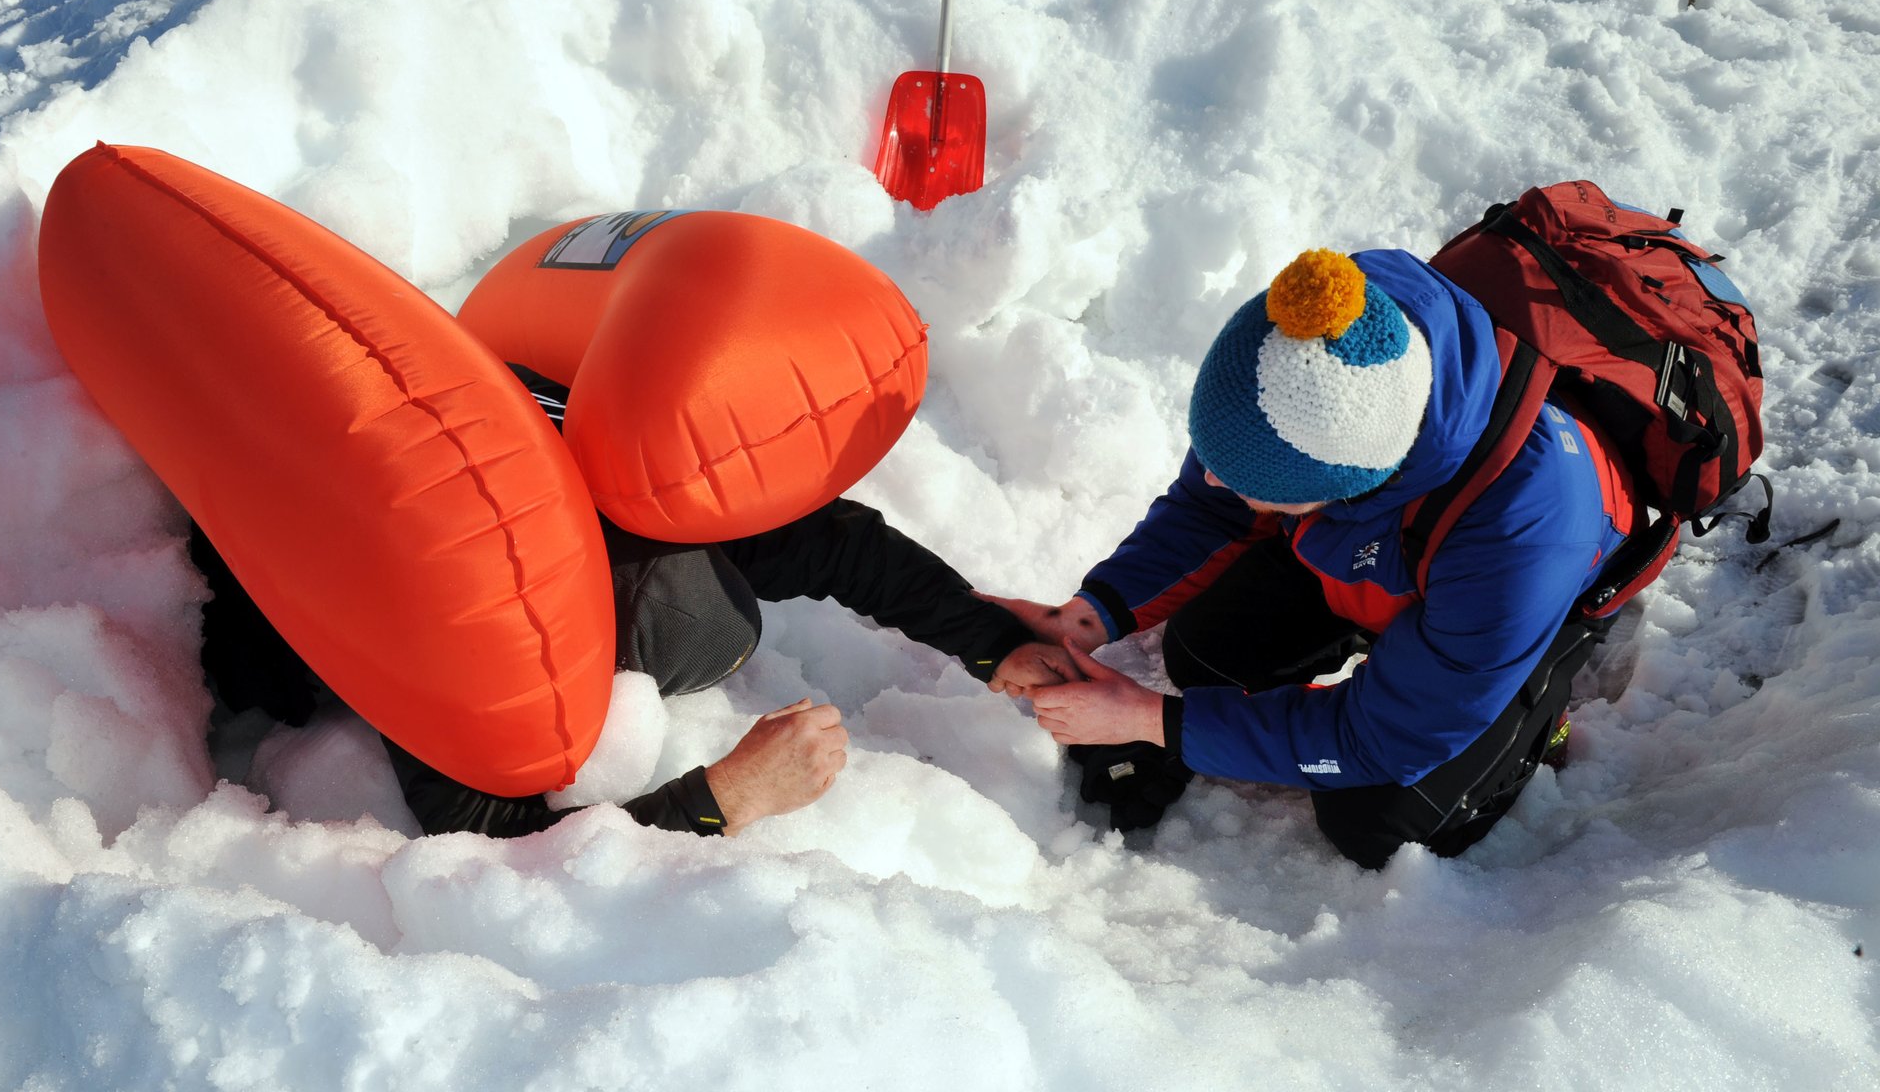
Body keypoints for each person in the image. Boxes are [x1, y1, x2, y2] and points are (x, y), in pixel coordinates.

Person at [195, 364, 1058, 839]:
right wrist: (727, 795)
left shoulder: (573, 449)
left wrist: (990, 639)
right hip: (235, 580)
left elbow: (833, 540)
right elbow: (488, 843)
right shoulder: (450, 626)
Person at [990, 247, 1638, 868]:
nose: (1211, 480)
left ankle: (1539, 708)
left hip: (1530, 594)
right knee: (1204, 657)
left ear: (1346, 483)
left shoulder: (1521, 528)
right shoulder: (1304, 363)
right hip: (1390, 541)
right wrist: (1085, 617)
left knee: (1377, 820)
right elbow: (1208, 507)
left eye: (1245, 481)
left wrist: (1147, 718)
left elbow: (1381, 740)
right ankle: (1395, 639)